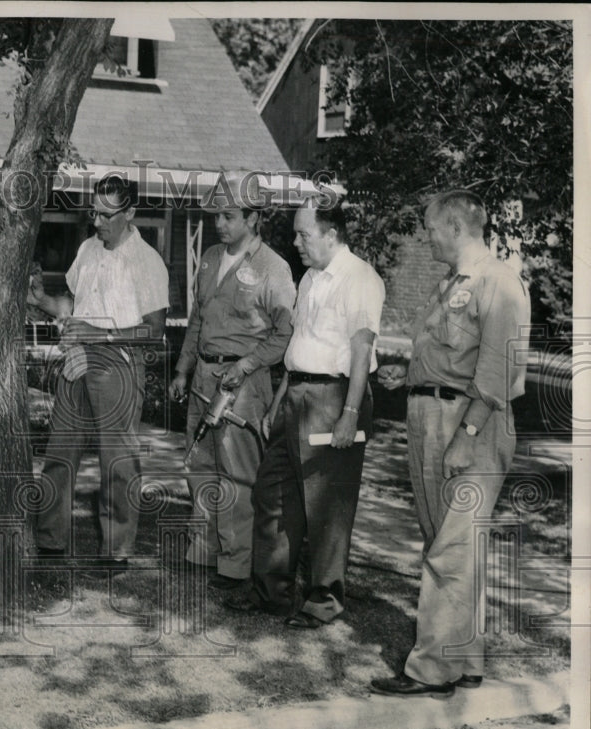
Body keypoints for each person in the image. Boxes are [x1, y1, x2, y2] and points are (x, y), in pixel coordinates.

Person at [371, 190, 529, 697]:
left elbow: (498, 370)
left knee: (451, 548)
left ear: (456, 227)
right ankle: (467, 659)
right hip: (432, 416)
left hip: (469, 424)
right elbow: (449, 354)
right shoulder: (450, 284)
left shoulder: (497, 282)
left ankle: (432, 671)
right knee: (449, 544)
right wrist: (412, 376)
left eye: (432, 229)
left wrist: (467, 436)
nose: (427, 237)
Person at [227, 201, 385, 627]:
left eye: (304, 234)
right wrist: (278, 405)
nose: (296, 242)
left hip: (334, 397)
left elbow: (362, 349)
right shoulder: (312, 278)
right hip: (295, 395)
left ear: (331, 233)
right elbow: (298, 348)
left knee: (326, 506)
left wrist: (349, 414)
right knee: (273, 492)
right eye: (296, 235)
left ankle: (323, 601)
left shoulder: (359, 279)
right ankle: (271, 592)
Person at [28, 176, 169, 569]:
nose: (98, 222)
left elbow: (154, 331)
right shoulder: (88, 249)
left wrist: (101, 333)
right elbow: (71, 307)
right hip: (76, 360)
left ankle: (117, 551)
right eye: (94, 212)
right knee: (60, 453)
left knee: (117, 462)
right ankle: (51, 542)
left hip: (118, 365)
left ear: (130, 214)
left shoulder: (147, 261)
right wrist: (42, 300)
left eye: (107, 215)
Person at [168, 173, 295, 590]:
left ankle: (236, 565)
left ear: (254, 218)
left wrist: (246, 365)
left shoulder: (273, 268)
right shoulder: (208, 258)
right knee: (201, 465)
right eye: (217, 215)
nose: (219, 223)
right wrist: (183, 370)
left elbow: (284, 334)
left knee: (237, 474)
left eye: (228, 216)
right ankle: (204, 551)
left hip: (243, 381)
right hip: (204, 374)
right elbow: (198, 320)